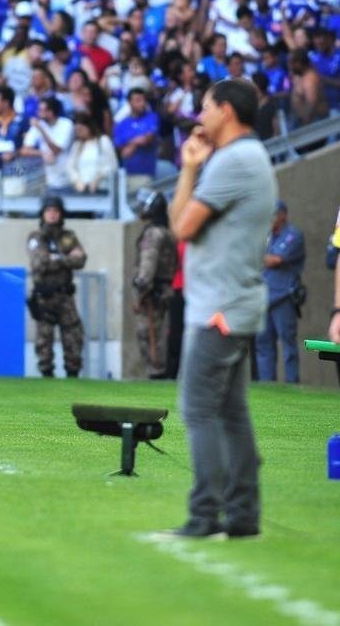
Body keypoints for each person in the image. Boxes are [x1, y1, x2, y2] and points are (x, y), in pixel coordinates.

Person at [164, 77, 276, 540]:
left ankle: (205, 514)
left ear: (227, 111)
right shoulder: (246, 156)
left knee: (197, 409)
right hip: (234, 301)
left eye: (206, 107)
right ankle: (243, 514)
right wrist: (193, 166)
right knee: (231, 413)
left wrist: (190, 170)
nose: (200, 116)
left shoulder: (234, 160)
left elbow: (182, 226)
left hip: (220, 308)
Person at [26, 195, 87, 378]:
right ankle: (47, 375)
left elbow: (81, 260)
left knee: (73, 337)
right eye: (49, 211)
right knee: (44, 341)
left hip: (65, 296)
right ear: (42, 214)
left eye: (56, 211)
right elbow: (39, 262)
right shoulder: (36, 237)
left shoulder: (69, 236)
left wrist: (56, 258)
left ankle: (73, 375)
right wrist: (66, 258)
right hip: (44, 297)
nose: (52, 214)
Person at [255, 201, 305, 383]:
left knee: (288, 345)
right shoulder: (266, 236)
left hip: (284, 297)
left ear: (283, 214)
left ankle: (292, 384)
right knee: (263, 345)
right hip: (264, 298)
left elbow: (276, 259)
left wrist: (255, 256)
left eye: (274, 214)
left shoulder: (292, 235)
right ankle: (267, 385)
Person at [132, 190, 178, 379]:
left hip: (152, 293)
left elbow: (148, 265)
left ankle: (157, 373)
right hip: (164, 290)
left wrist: (141, 289)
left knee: (149, 334)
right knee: (158, 334)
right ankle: (160, 371)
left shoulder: (153, 234)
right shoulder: (165, 231)